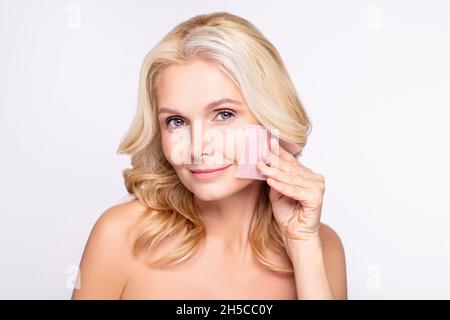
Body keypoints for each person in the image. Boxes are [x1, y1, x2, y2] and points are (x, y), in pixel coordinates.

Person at [72, 11, 347, 300]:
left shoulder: (321, 247)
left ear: (271, 121)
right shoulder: (120, 236)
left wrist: (303, 247)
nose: (196, 147)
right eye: (176, 121)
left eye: (224, 114)